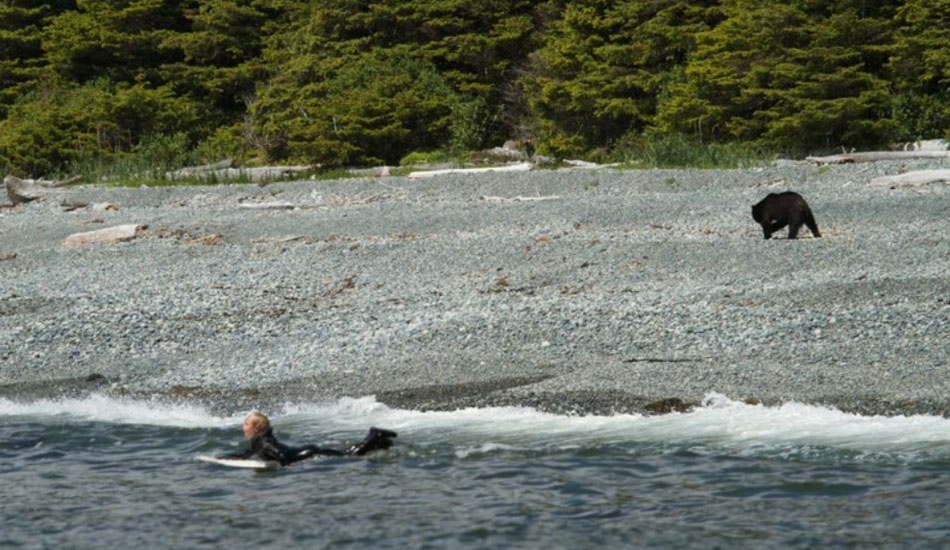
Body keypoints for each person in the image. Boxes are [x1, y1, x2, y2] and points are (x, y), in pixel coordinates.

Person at [219, 412, 397, 466]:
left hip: (309, 454)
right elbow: (248, 453)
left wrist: (284, 467)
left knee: (349, 456)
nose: (243, 427)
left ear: (256, 428)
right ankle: (378, 442)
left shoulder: (264, 442)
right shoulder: (259, 441)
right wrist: (224, 458)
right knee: (347, 453)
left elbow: (279, 453)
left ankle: (374, 435)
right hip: (306, 451)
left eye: (246, 424)